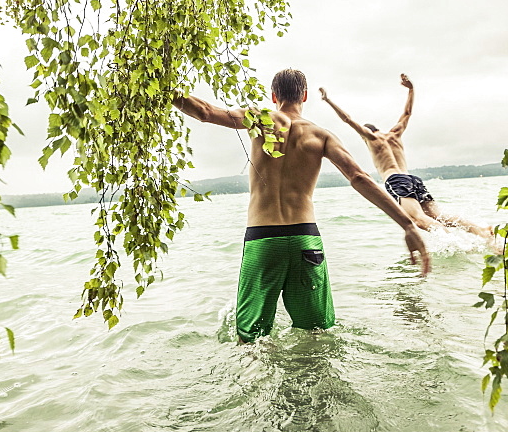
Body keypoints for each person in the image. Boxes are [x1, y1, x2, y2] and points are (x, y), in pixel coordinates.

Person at [173, 68, 431, 343]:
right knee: (316, 333)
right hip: (305, 240)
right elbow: (359, 178)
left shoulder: (260, 119)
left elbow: (204, 111)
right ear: (304, 96)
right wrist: (407, 224)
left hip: (263, 239)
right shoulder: (321, 135)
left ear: (274, 96)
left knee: (251, 340)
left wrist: (159, 88)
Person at [320, 74, 493, 242]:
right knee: (437, 215)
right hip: (413, 178)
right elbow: (407, 112)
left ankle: (458, 244)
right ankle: (481, 231)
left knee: (419, 219)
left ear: (366, 134)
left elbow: (348, 119)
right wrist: (411, 89)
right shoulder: (395, 133)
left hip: (396, 180)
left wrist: (328, 100)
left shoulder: (371, 138)